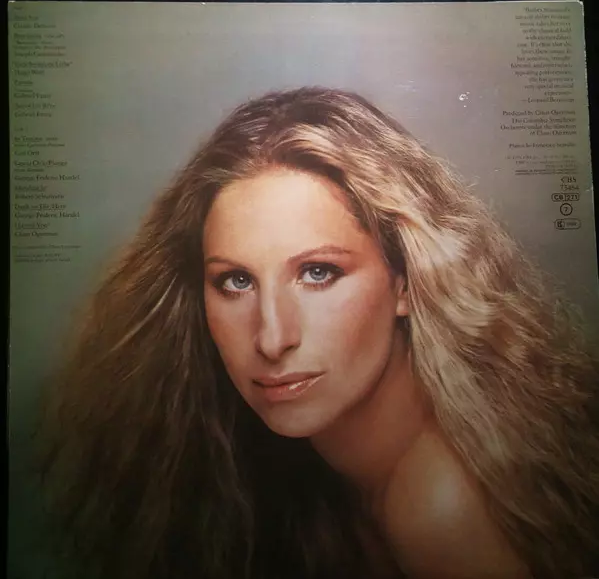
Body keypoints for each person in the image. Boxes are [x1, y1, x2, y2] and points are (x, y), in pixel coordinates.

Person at [39, 87, 599, 579]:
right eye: (236, 281)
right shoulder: (326, 471)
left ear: (407, 281)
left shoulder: (442, 509)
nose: (272, 338)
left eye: (318, 273)